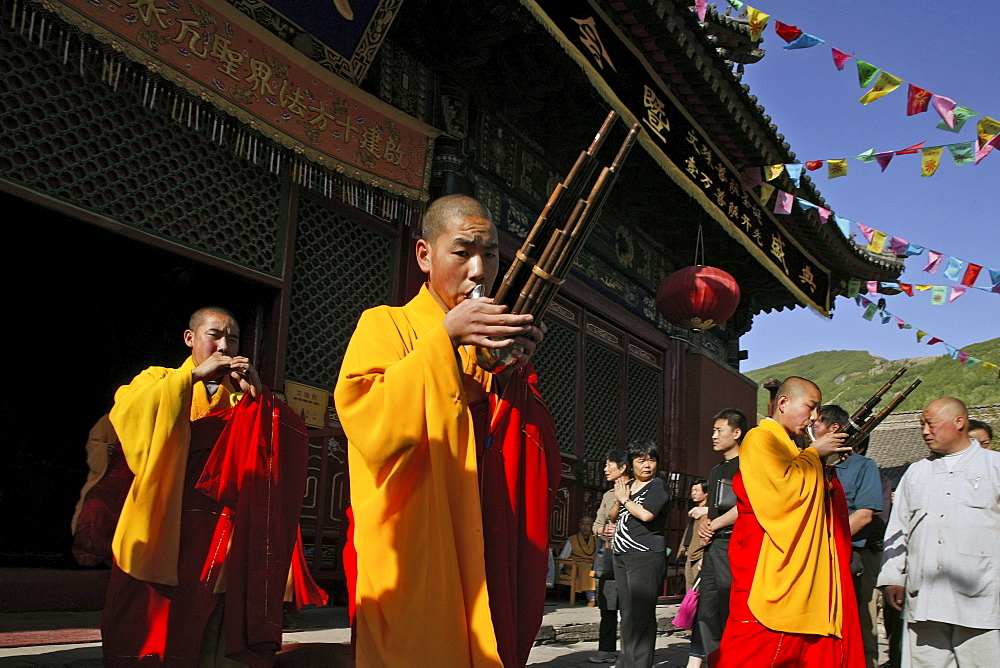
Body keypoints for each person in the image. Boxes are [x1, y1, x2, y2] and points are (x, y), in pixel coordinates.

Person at [334, 194, 561, 667]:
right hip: (415, 548)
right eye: (463, 252)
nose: (479, 270)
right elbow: (366, 418)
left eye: (492, 254)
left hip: (486, 539)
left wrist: (511, 375)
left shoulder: (495, 347)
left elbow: (531, 454)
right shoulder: (386, 324)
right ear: (425, 255)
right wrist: (444, 339)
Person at [101, 307, 314, 666]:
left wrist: (259, 398)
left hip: (219, 524)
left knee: (208, 614)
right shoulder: (160, 378)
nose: (225, 345)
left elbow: (281, 448)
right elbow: (128, 412)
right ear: (190, 338)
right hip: (163, 513)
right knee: (147, 610)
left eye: (232, 339)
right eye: (214, 334)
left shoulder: (241, 394)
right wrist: (193, 379)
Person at [713, 377, 864, 666]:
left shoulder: (792, 448)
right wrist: (815, 453)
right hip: (767, 562)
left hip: (795, 565)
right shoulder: (761, 438)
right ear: (783, 403)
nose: (815, 416)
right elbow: (782, 496)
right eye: (810, 406)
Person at [877, 397, 1000, 666]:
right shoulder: (916, 473)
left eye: (930, 424)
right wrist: (893, 576)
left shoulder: (994, 467)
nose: (924, 431)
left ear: (959, 422)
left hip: (983, 600)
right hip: (925, 601)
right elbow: (898, 529)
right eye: (921, 424)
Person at [818, 405, 884, 668]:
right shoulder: (814, 463)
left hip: (853, 553)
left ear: (834, 429)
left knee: (861, 625)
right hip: (818, 556)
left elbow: (865, 514)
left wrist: (828, 541)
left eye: (818, 423)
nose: (813, 429)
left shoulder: (863, 466)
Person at [609, 441, 669, 668]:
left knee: (642, 614)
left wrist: (625, 500)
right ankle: (626, 661)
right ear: (631, 464)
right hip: (622, 554)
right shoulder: (629, 485)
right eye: (641, 460)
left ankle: (640, 663)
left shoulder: (657, 486)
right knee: (626, 612)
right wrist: (618, 499)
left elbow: (646, 515)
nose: (647, 465)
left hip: (645, 555)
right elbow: (614, 516)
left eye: (651, 460)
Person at [694, 408, 746, 664]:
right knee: (708, 610)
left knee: (730, 607)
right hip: (713, 547)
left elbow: (748, 505)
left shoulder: (747, 464)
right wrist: (706, 524)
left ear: (736, 433)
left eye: (719, 430)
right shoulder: (716, 470)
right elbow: (713, 509)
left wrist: (713, 525)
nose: (713, 436)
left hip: (734, 543)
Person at [70, 414, 133, 567]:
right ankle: (91, 553)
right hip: (109, 475)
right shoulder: (110, 419)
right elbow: (94, 443)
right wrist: (106, 449)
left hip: (136, 477)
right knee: (96, 505)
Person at [589, 449, 632, 664]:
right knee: (607, 608)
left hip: (630, 556)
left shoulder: (637, 489)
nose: (605, 469)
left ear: (623, 467)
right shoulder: (607, 496)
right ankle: (606, 650)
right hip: (609, 557)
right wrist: (603, 529)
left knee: (629, 608)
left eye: (609, 465)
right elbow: (596, 525)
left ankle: (629, 652)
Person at [677, 481, 708, 592]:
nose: (693, 493)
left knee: (697, 588)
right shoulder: (695, 510)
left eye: (697, 490)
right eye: (692, 490)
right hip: (690, 552)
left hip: (699, 553)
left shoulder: (706, 512)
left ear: (706, 493)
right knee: (689, 587)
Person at [559, 516, 598, 605]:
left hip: (591, 564)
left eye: (588, 525)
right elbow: (563, 556)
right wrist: (560, 570)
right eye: (583, 524)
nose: (585, 527)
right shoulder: (572, 540)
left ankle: (599, 597)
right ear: (579, 526)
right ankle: (592, 598)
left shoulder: (596, 540)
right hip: (573, 567)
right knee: (585, 568)